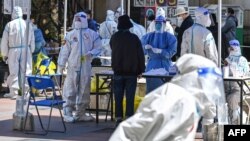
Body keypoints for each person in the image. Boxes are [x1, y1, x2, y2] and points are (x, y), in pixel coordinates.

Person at [109, 54, 227, 141]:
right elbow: (130, 131)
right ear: (195, 78)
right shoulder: (176, 96)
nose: (213, 90)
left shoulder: (189, 102)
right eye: (210, 83)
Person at [57, 11, 102, 123]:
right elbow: (64, 52)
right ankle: (67, 112)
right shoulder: (70, 35)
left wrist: (91, 53)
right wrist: (61, 66)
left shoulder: (92, 34)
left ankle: (80, 113)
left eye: (79, 19)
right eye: (76, 19)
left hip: (86, 65)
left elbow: (99, 47)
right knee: (70, 89)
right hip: (73, 65)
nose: (78, 21)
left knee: (84, 89)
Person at [110, 14, 145, 127]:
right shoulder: (134, 38)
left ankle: (118, 118)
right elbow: (140, 55)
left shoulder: (114, 37)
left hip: (118, 71)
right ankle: (129, 117)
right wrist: (141, 70)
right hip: (131, 72)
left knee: (118, 96)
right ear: (129, 26)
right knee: (130, 96)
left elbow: (111, 47)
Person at [1, 6, 35, 99]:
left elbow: (4, 41)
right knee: (27, 71)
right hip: (26, 50)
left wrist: (5, 54)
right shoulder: (28, 24)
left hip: (13, 50)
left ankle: (15, 92)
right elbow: (32, 39)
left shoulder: (9, 25)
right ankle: (25, 92)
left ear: (13, 14)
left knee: (14, 71)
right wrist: (31, 50)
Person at [141, 15, 177, 93]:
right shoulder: (148, 36)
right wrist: (145, 47)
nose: (158, 25)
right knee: (151, 91)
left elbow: (171, 52)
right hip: (152, 66)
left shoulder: (170, 37)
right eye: (156, 23)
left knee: (164, 91)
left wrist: (161, 51)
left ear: (164, 24)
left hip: (165, 66)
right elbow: (141, 51)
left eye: (160, 23)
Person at [224, 39, 249, 125]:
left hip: (239, 88)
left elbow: (245, 74)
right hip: (227, 87)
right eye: (229, 48)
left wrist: (233, 67)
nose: (230, 50)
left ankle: (237, 121)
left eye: (231, 48)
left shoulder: (242, 60)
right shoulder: (227, 59)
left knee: (232, 98)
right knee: (219, 98)